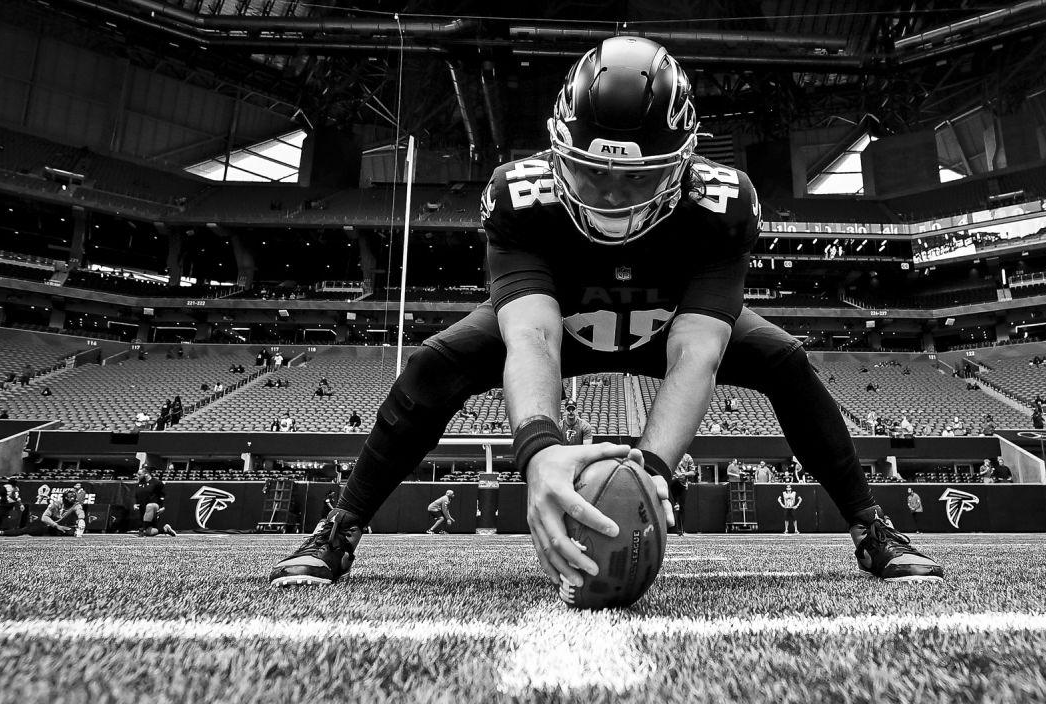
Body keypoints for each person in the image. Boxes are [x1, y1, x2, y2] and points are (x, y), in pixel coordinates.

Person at [268, 36, 941, 589]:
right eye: (593, 174)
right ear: (559, 152)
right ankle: (341, 526)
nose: (613, 196)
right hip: (562, 320)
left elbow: (697, 352)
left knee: (788, 365)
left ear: (683, 162)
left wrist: (650, 471)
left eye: (637, 177)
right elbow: (530, 335)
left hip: (671, 322)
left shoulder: (723, 202)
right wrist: (538, 451)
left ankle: (869, 527)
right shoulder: (520, 194)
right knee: (433, 367)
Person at [0, 489, 84, 537]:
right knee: (26, 530)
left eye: (74, 496)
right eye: (70, 497)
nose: (73, 498)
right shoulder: (55, 504)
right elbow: (44, 517)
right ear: (65, 498)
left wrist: (81, 520)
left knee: (71, 532)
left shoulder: (76, 505)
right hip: (53, 527)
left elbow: (80, 512)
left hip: (67, 528)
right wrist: (56, 525)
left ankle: (74, 532)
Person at [134, 469, 176, 537]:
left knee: (150, 506)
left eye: (139, 474)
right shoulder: (139, 484)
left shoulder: (157, 482)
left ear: (146, 474)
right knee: (149, 532)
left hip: (154, 507)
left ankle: (142, 529)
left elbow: (164, 495)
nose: (137, 476)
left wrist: (163, 506)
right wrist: (135, 504)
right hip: (144, 511)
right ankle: (165, 530)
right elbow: (136, 495)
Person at [669, 453, 698, 536]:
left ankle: (680, 531)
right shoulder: (672, 455)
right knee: (671, 505)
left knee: (682, 507)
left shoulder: (687, 457)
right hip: (671, 483)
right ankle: (670, 530)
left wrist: (684, 474)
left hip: (683, 484)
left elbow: (693, 472)